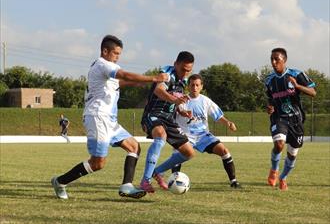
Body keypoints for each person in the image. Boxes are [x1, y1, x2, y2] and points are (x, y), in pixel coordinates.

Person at [51, 35, 169, 199]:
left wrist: (142, 82)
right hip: (98, 117)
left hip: (110, 120)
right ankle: (60, 181)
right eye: (115, 53)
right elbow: (125, 75)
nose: (117, 57)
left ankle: (127, 186)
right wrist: (153, 78)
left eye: (119, 54)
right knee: (98, 163)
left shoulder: (107, 68)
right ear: (104, 51)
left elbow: (120, 82)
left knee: (134, 147)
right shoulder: (102, 65)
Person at [153, 74, 241, 189]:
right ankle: (174, 183)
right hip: (185, 136)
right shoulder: (181, 100)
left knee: (224, 151)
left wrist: (228, 123)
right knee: (177, 157)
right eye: (192, 85)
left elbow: (217, 116)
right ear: (188, 86)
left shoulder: (206, 101)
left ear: (201, 87)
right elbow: (171, 112)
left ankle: (233, 181)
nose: (194, 87)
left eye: (197, 85)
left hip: (203, 136)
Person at [139, 51, 196, 193]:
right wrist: (174, 100)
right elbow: (159, 90)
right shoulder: (167, 73)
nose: (185, 73)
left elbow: (175, 102)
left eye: (188, 71)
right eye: (183, 69)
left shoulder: (182, 82)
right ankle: (145, 181)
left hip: (169, 119)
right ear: (175, 64)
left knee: (188, 153)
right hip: (153, 114)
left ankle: (156, 172)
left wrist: (182, 111)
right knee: (160, 135)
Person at [265, 48, 316, 190]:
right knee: (279, 144)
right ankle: (274, 170)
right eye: (272, 59)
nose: (274, 62)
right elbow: (270, 98)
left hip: (296, 120)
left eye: (277, 59)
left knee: (292, 154)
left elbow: (313, 92)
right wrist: (269, 107)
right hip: (279, 117)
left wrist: (297, 86)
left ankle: (283, 177)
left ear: (284, 60)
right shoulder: (269, 80)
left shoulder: (296, 74)